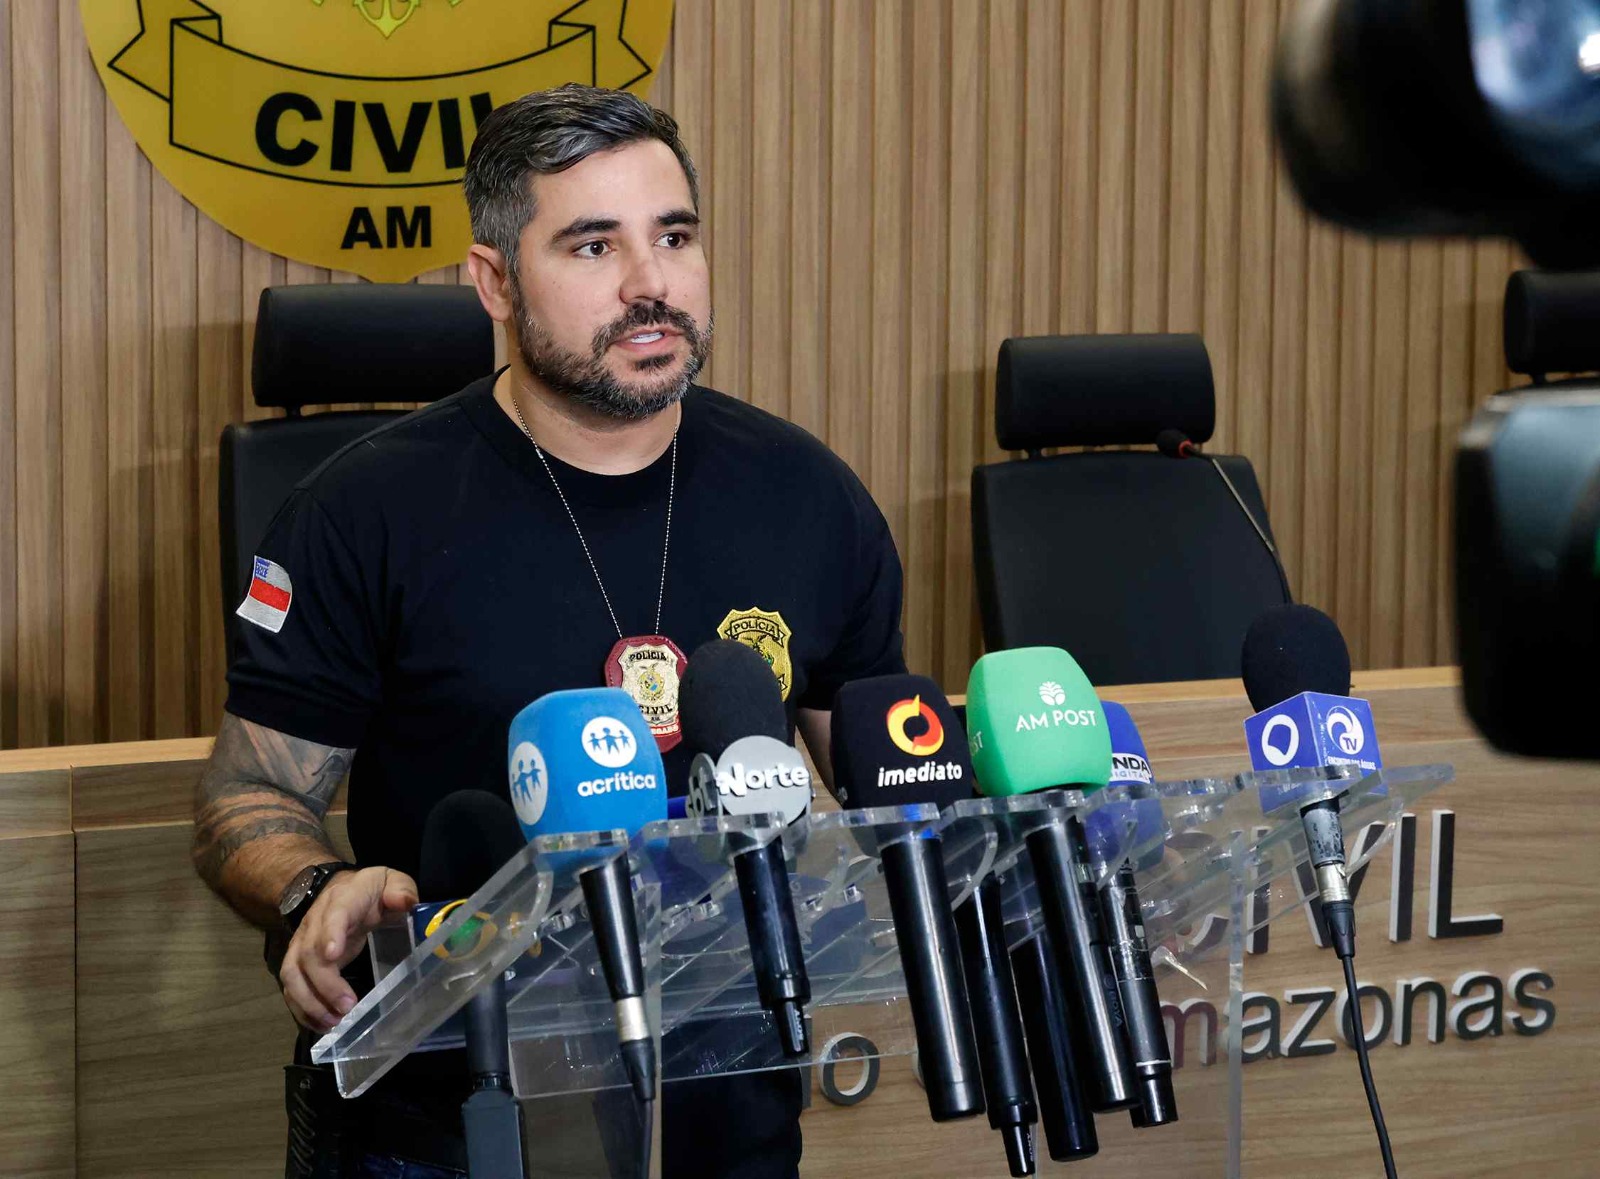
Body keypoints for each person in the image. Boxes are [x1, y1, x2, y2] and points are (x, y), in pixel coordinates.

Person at [192, 83, 906, 1178]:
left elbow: (891, 783)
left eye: (674, 236)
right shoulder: (364, 511)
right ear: (493, 281)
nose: (650, 283)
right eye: (592, 246)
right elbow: (246, 795)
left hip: (733, 1111)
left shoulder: (809, 495)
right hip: (453, 1118)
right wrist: (310, 890)